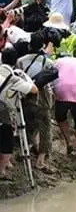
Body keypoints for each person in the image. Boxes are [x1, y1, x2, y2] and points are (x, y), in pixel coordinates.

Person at [16, 32, 56, 172]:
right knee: (45, 127)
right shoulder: (48, 62)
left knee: (27, 124)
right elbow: (52, 83)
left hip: (26, 95)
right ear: (43, 45)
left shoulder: (20, 60)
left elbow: (18, 79)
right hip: (43, 97)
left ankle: (26, 149)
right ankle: (40, 161)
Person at [0, 48, 38, 180]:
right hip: (5, 114)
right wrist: (25, 78)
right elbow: (34, 89)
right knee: (6, 142)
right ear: (15, 61)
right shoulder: (14, 78)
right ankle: (2, 171)